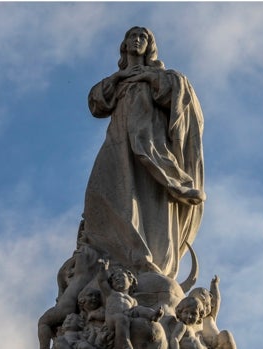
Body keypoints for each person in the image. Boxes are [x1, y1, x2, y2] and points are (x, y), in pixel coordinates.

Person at [83, 26, 205, 278]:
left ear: (149, 46)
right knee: (103, 191)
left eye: (143, 37)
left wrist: (149, 77)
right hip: (118, 143)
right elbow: (97, 103)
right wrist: (120, 78)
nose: (137, 40)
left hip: (149, 147)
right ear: (124, 45)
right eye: (132, 37)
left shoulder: (160, 76)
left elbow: (177, 94)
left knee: (148, 199)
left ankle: (145, 257)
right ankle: (114, 256)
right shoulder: (117, 81)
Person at [97, 259, 163, 349]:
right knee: (121, 319)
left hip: (128, 315)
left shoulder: (132, 300)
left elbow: (136, 311)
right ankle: (124, 344)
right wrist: (103, 269)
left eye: (121, 276)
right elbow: (102, 281)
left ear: (130, 281)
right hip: (113, 318)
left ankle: (153, 315)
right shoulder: (111, 293)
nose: (117, 279)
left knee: (138, 309)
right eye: (114, 279)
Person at [188, 276, 237, 349]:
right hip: (204, 344)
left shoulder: (210, 316)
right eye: (200, 307)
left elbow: (217, 300)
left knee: (226, 334)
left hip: (220, 344)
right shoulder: (191, 320)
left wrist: (214, 285)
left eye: (207, 305)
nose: (204, 309)